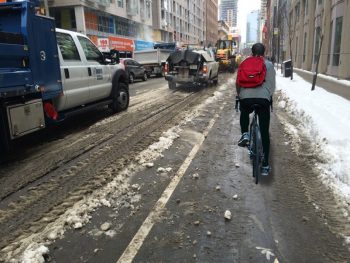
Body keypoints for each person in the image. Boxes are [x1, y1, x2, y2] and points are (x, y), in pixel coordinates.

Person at [236, 43, 276, 176]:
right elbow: (271, 86)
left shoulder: (245, 62)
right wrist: (267, 96)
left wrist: (240, 95)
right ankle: (265, 165)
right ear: (264, 52)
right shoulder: (269, 65)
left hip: (246, 98)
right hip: (263, 99)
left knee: (244, 111)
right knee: (264, 132)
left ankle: (245, 134)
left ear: (252, 52)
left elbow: (238, 82)